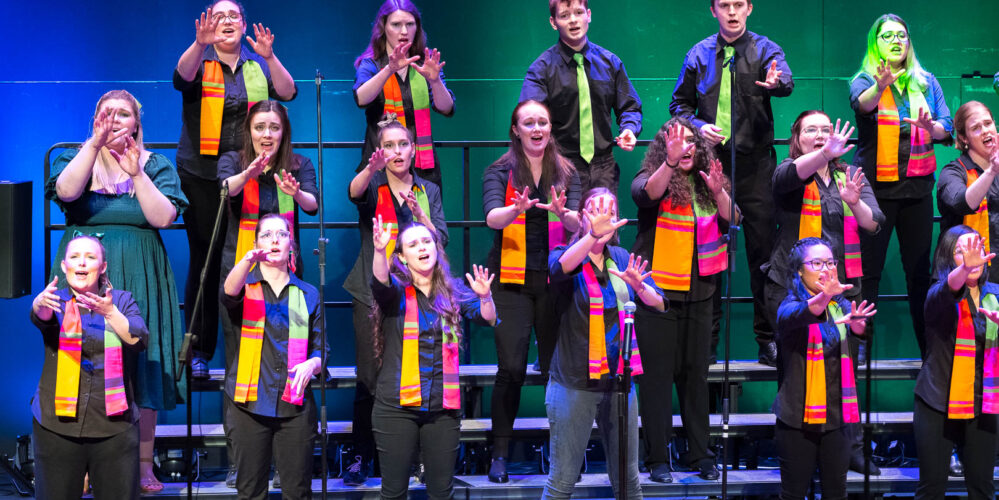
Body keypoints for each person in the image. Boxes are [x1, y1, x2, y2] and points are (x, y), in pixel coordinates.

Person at [47, 90, 188, 494]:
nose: (114, 119)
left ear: (137, 123)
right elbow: (68, 193)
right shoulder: (71, 159)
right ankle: (87, 462)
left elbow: (163, 217)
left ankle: (143, 464)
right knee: (83, 361)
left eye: (123, 113)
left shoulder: (155, 165)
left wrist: (137, 172)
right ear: (94, 120)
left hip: (140, 274)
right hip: (83, 274)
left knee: (139, 366)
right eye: (106, 113)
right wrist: (94, 144)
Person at [174, 0, 297, 387]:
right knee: (207, 261)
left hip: (251, 174)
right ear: (209, 23)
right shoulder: (200, 60)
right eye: (219, 16)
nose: (227, 22)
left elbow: (288, 92)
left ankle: (265, 347)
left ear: (244, 25)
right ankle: (199, 351)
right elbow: (181, 78)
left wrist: (271, 56)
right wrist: (199, 43)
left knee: (253, 258)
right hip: (202, 175)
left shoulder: (257, 65)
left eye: (234, 16)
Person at [669, 0, 794, 366]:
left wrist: (776, 83)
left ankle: (767, 339)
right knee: (707, 251)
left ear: (750, 8)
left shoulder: (765, 48)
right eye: (725, 5)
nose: (732, 12)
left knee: (762, 255)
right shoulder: (699, 54)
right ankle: (705, 343)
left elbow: (785, 81)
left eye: (739, 4)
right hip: (710, 163)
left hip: (755, 165)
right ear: (713, 11)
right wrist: (696, 127)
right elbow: (679, 105)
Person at [630, 118, 740, 482]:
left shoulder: (709, 183)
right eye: (677, 140)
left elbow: (735, 217)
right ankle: (658, 458)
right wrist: (671, 162)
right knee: (657, 379)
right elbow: (646, 194)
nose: (686, 146)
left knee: (695, 377)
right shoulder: (652, 174)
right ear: (665, 145)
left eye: (692, 141)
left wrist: (719, 189)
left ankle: (700, 454)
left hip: (701, 292)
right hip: (656, 293)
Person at [481, 100, 581, 482]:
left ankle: (565, 452)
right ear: (516, 130)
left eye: (542, 122)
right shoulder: (500, 170)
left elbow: (576, 222)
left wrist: (561, 212)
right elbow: (492, 217)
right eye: (529, 123)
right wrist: (515, 210)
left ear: (550, 128)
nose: (537, 128)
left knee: (561, 370)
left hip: (555, 281)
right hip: (511, 281)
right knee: (511, 369)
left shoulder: (567, 170)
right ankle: (500, 454)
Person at [543, 188, 666, 499]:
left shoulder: (622, 258)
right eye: (595, 208)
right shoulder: (564, 253)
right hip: (574, 383)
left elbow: (660, 303)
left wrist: (640, 288)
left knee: (629, 484)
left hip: (620, 383)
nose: (602, 214)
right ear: (582, 216)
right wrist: (589, 237)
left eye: (609, 210)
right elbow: (560, 269)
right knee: (562, 483)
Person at [344, 117, 448, 485]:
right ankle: (360, 455)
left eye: (403, 144)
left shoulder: (428, 189)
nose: (397, 152)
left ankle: (419, 456)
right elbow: (353, 193)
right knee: (370, 376)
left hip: (420, 295)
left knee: (419, 371)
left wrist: (422, 217)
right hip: (374, 290)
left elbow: (442, 240)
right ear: (380, 152)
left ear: (413, 148)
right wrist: (368, 169)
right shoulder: (372, 183)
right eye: (389, 146)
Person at [849, 13, 952, 359]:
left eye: (902, 36)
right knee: (869, 274)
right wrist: (880, 86)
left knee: (919, 276)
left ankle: (930, 353)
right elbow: (862, 105)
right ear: (875, 43)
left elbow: (947, 127)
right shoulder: (865, 79)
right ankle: (860, 350)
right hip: (875, 194)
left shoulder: (926, 81)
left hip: (917, 192)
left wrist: (931, 126)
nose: (896, 41)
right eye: (888, 36)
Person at [369, 221, 496, 499]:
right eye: (413, 245)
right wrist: (380, 251)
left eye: (426, 241)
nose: (422, 248)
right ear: (401, 256)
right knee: (393, 493)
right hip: (396, 407)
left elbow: (487, 317)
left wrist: (485, 296)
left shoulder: (453, 291)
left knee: (442, 493)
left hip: (443, 407)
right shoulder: (395, 293)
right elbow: (379, 283)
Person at [30, 235, 148, 500]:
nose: (81, 263)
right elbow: (42, 316)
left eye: (90, 257)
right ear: (63, 266)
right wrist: (39, 304)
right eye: (74, 257)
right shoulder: (54, 300)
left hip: (114, 426)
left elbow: (138, 340)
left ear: (103, 266)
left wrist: (110, 313)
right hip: (56, 425)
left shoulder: (122, 300)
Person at [220, 214, 324, 499]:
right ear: (255, 244)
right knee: (250, 491)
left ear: (292, 243)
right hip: (248, 405)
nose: (274, 239)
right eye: (266, 235)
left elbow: (321, 350)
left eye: (281, 233)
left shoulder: (309, 293)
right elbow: (228, 293)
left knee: (297, 491)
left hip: (295, 406)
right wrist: (246, 261)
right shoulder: (246, 287)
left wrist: (312, 363)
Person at [773, 237, 877, 500]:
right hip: (798, 418)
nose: (826, 269)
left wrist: (858, 326)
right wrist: (827, 294)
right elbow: (804, 313)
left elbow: (858, 329)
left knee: (836, 493)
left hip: (837, 416)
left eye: (830, 262)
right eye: (817, 263)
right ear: (799, 270)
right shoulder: (787, 305)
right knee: (793, 493)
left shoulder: (839, 305)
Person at [520, 0, 643, 193]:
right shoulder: (541, 69)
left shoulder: (610, 63)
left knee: (604, 223)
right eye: (564, 15)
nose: (573, 21)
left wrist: (629, 128)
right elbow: (529, 116)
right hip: (560, 165)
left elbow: (630, 107)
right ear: (553, 22)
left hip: (604, 166)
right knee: (565, 223)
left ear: (589, 15)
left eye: (579, 12)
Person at [915, 226, 999, 500]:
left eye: (976, 249)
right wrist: (964, 270)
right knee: (931, 490)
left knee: (983, 490)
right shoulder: (937, 293)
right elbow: (949, 289)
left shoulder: (996, 295)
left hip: (982, 404)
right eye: (961, 251)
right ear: (949, 259)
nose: (971, 256)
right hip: (937, 402)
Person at [354, 0, 454, 190]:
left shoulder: (425, 64)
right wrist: (389, 70)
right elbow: (361, 98)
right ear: (384, 28)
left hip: (422, 165)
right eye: (396, 24)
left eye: (410, 24)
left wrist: (435, 81)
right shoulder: (371, 65)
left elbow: (446, 108)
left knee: (424, 218)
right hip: (381, 164)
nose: (404, 31)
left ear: (417, 27)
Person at [937, 101, 999, 276]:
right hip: (963, 276)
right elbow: (962, 203)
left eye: (988, 123)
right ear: (964, 138)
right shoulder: (953, 172)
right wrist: (992, 171)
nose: (986, 130)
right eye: (976, 128)